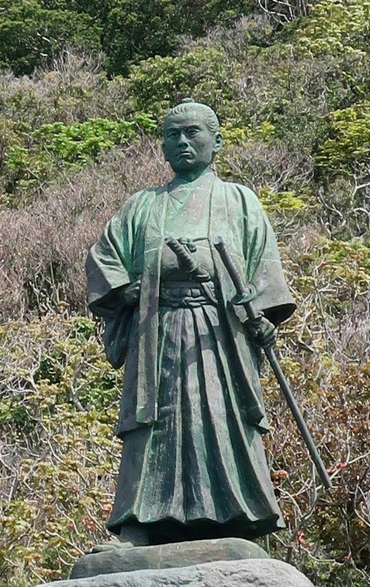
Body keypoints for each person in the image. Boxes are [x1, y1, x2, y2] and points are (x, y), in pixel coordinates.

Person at [86, 98, 295, 546]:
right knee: (151, 423)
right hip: (157, 332)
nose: (181, 141)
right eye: (172, 134)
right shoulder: (142, 206)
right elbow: (105, 261)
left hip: (219, 336)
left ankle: (236, 517)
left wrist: (261, 318)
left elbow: (262, 273)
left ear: (216, 141)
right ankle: (137, 524)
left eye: (193, 132)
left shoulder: (239, 200)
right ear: (162, 146)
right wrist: (144, 284)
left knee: (220, 417)